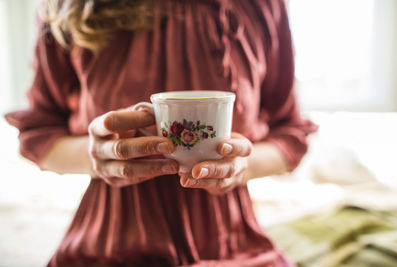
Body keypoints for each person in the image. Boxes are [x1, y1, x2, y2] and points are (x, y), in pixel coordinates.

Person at [5, 0, 317, 266]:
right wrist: (96, 156)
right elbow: (39, 132)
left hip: (231, 238)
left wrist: (240, 166)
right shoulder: (68, 7)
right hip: (109, 238)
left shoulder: (261, 5)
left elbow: (290, 134)